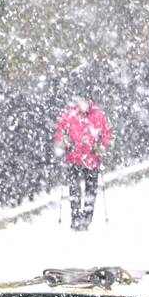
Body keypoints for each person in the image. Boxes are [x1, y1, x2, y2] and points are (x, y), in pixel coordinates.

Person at [53, 97, 112, 229]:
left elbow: (107, 133)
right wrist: (64, 141)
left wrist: (102, 146)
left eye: (85, 102)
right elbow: (59, 131)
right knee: (74, 190)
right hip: (73, 158)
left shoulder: (99, 115)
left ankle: (86, 218)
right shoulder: (69, 115)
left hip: (92, 159)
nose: (82, 105)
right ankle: (75, 218)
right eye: (80, 102)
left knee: (91, 190)